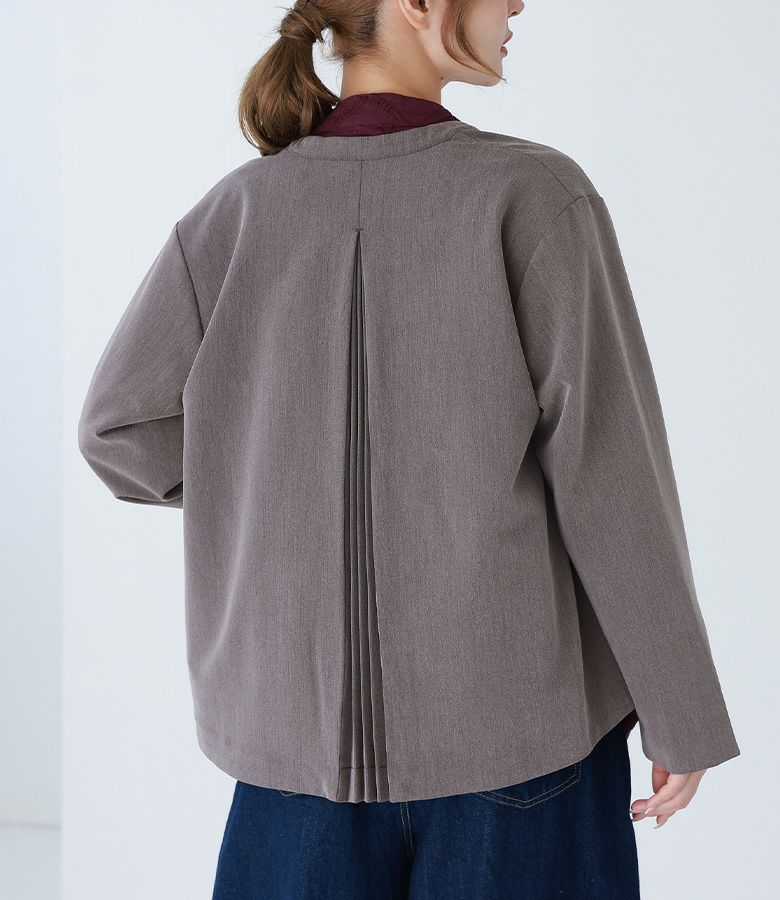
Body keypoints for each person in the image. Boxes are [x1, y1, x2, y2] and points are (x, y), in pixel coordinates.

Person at [77, 1, 740, 897]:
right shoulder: (533, 194)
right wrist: (680, 710)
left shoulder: (238, 209)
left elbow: (118, 428)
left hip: (290, 753)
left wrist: (268, 472)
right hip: (518, 746)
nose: (517, 4)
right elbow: (611, 478)